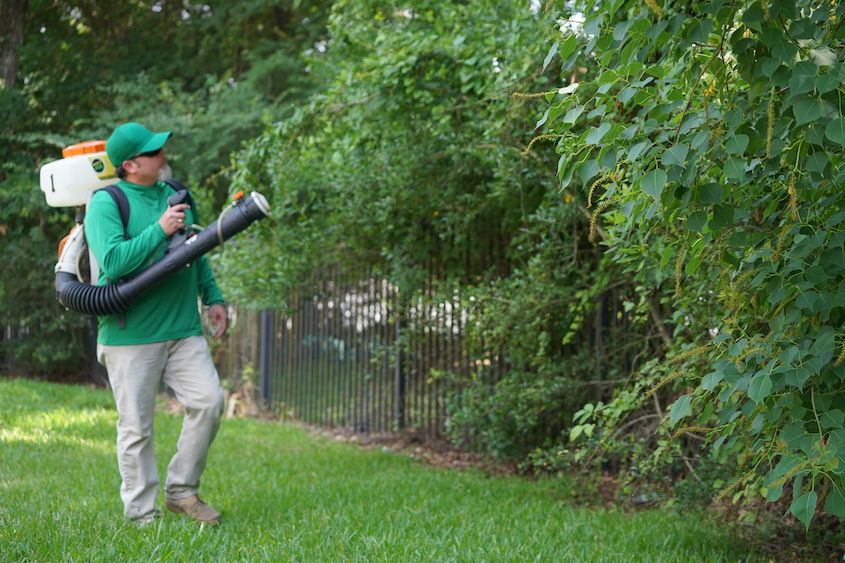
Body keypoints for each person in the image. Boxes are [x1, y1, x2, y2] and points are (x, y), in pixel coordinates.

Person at [85, 122, 227, 526]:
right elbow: (113, 263)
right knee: (137, 429)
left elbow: (196, 250)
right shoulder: (107, 203)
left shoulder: (177, 193)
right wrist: (158, 229)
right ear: (129, 165)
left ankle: (181, 492)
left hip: (182, 330)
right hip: (131, 335)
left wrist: (213, 298)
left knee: (209, 403)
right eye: (153, 153)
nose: (163, 156)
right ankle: (141, 517)